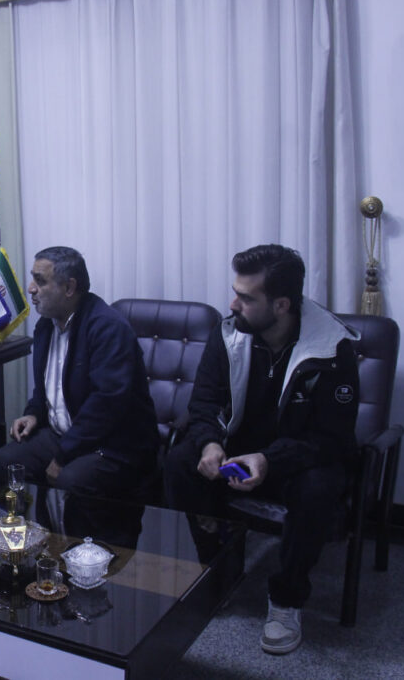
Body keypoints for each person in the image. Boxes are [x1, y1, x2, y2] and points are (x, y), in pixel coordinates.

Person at [163, 244, 359, 655]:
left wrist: (269, 460)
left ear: (282, 305)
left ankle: (287, 599)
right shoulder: (229, 333)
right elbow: (203, 402)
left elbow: (331, 439)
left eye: (246, 298)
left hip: (297, 462)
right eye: (235, 292)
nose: (233, 304)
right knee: (181, 460)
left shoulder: (332, 348)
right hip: (237, 456)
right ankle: (219, 565)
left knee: (319, 487)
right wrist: (210, 443)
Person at [0, 246, 159, 501]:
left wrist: (62, 457)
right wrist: (34, 413)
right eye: (33, 279)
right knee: (6, 461)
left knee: (71, 480)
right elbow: (47, 388)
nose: (31, 289)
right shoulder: (46, 325)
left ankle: (75, 529)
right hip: (66, 435)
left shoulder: (107, 328)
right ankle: (35, 524)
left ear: (69, 288)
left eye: (40, 281)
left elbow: (105, 406)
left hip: (114, 443)